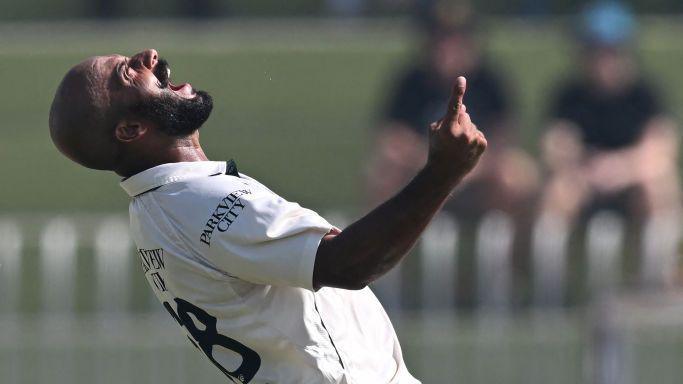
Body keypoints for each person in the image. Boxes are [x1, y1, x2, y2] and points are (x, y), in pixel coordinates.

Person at [49, 49, 486, 383]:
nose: (148, 57)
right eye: (128, 73)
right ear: (129, 131)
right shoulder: (196, 200)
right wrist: (444, 172)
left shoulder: (160, 207)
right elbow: (349, 264)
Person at [368, 3, 538, 222]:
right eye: (440, 38)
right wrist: (430, 161)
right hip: (422, 172)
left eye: (457, 39)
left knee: (519, 175)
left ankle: (508, 250)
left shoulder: (489, 81)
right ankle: (382, 251)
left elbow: (505, 136)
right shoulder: (411, 82)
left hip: (479, 175)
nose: (448, 47)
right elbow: (392, 137)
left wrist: (469, 165)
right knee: (382, 174)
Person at [540, 1, 681, 227]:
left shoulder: (645, 96)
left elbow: (662, 149)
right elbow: (556, 146)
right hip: (584, 181)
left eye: (611, 51)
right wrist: (587, 168)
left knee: (660, 186)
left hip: (632, 182)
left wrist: (620, 168)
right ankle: (548, 259)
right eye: (595, 50)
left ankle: (665, 260)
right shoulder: (569, 97)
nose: (604, 60)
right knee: (560, 190)